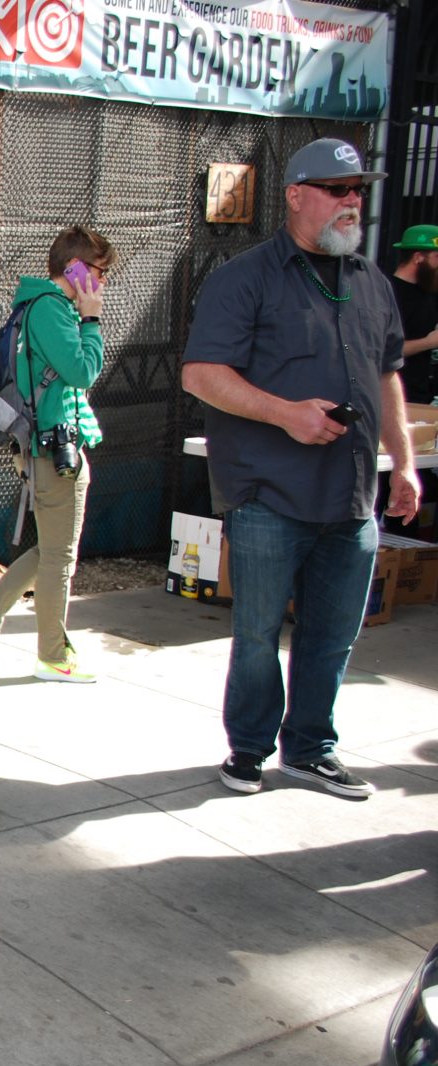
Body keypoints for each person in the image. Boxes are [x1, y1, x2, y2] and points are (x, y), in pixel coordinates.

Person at [182, 138, 420, 799]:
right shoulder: (246, 277)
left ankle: (310, 748)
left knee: (332, 635)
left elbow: (387, 376)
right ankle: (250, 748)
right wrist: (286, 413)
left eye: (358, 191)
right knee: (257, 634)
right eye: (337, 189)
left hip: (351, 497)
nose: (352, 202)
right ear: (295, 195)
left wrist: (402, 465)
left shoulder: (371, 282)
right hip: (268, 494)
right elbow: (202, 374)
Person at [0, 226, 113, 683]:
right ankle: (51, 655)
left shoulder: (42, 305)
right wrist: (92, 319)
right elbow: (82, 371)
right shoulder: (53, 310)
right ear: (75, 270)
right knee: (60, 557)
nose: (103, 283)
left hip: (50, 444)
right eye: (99, 272)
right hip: (52, 446)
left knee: (51, 550)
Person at [388, 225, 437, 406]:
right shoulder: (389, 293)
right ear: (418, 257)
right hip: (396, 397)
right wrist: (429, 343)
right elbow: (384, 350)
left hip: (423, 395)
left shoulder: (428, 292)